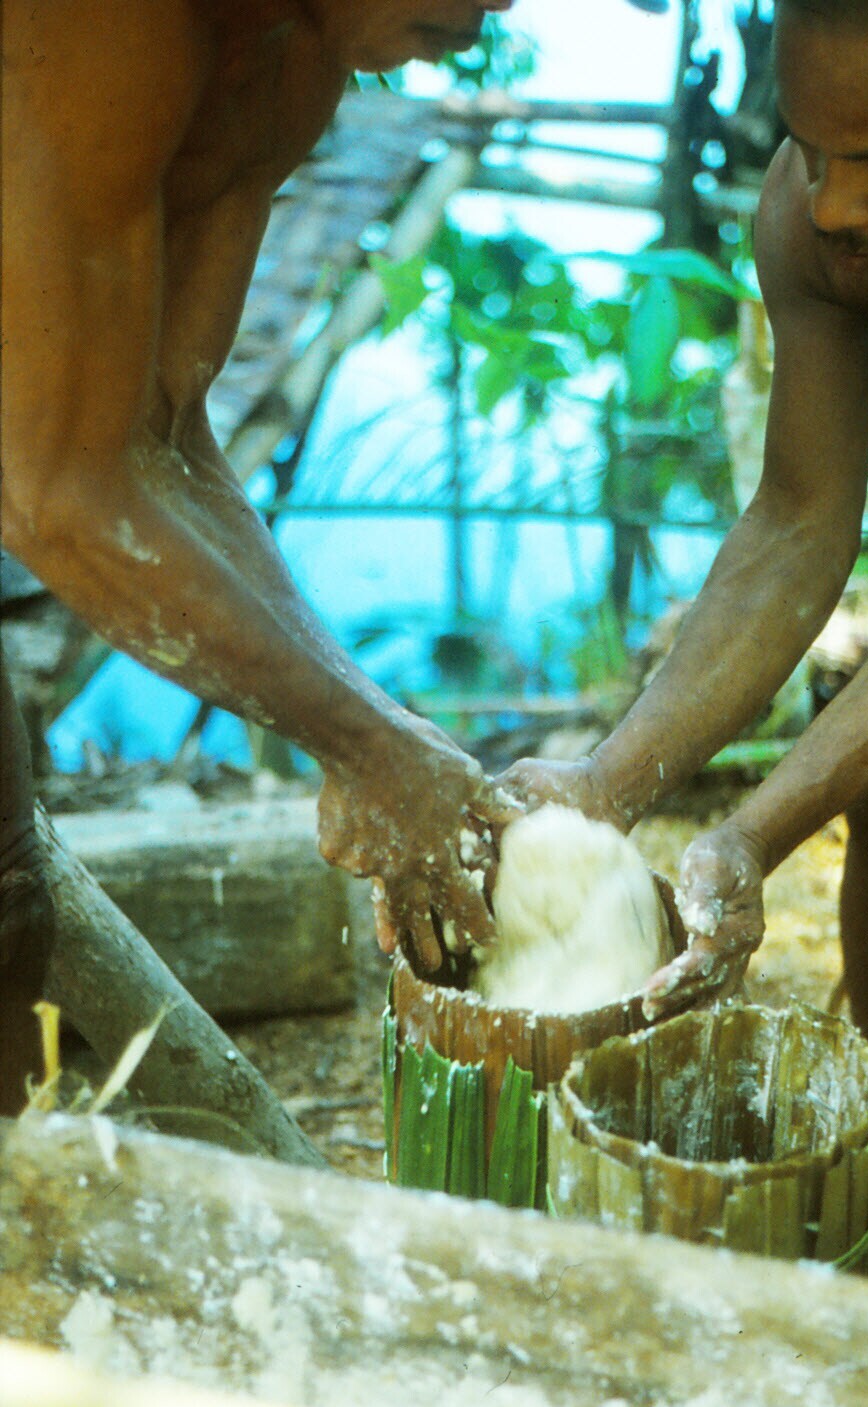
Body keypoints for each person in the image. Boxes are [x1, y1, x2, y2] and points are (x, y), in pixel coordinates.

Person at [1, 0, 676, 1113]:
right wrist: (363, 747)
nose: (491, 11)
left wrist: (377, 730)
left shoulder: (297, 65)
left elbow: (165, 433)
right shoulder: (118, 29)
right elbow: (56, 497)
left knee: (9, 898)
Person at [501, 0, 868, 1055]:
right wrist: (604, 786)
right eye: (810, 148)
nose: (835, 204)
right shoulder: (807, 217)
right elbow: (797, 522)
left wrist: (750, 839)